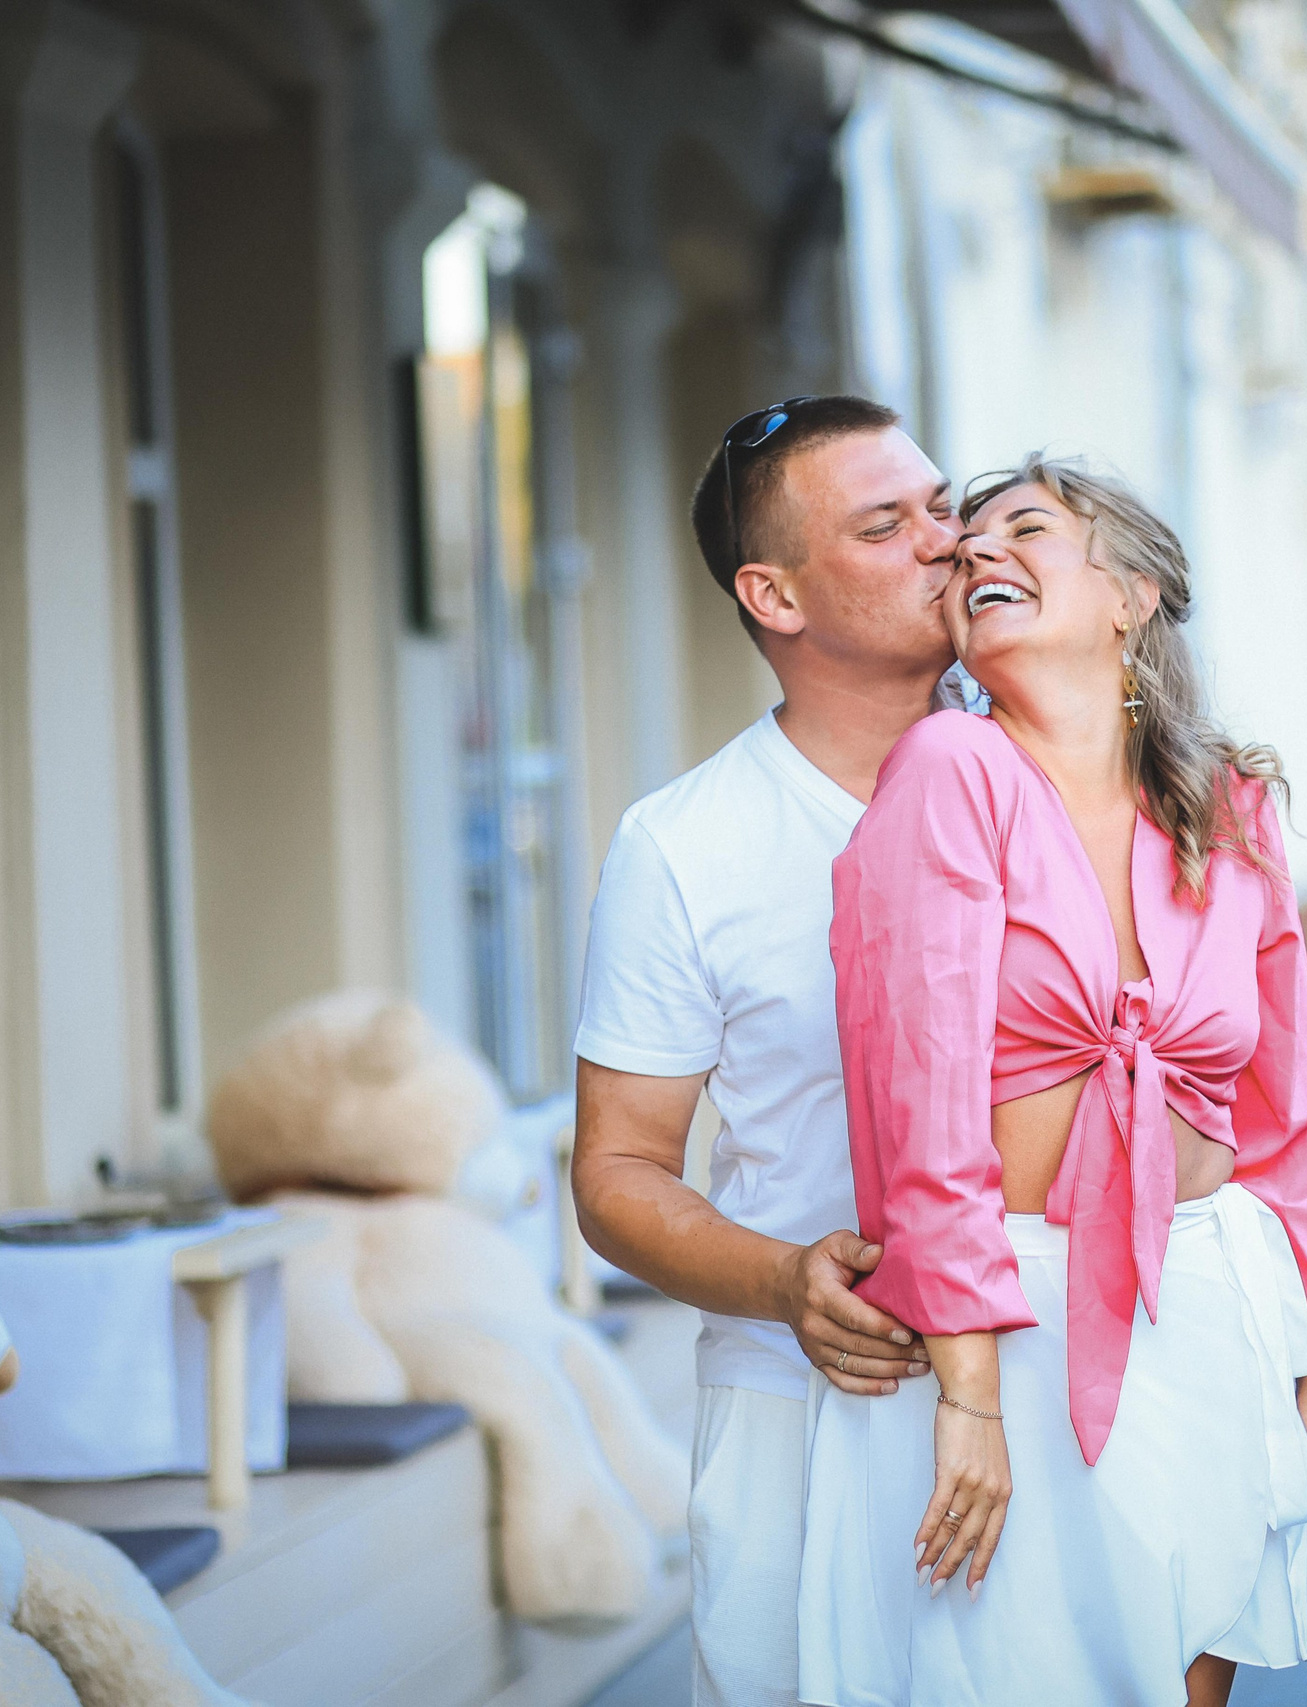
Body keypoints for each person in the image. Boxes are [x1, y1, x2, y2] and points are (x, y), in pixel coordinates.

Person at [798, 457, 1307, 1707]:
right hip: (1016, 1317)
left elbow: (1293, 1123)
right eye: (965, 550)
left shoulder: (1227, 810)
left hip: (1215, 1303)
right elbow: (920, 1105)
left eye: (1026, 530)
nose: (976, 555)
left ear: (1132, 594)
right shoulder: (950, 771)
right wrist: (970, 1398)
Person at [570, 395, 963, 1707]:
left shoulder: (1066, 781)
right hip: (801, 1411)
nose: (945, 542)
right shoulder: (683, 844)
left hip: (1050, 1379)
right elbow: (619, 1171)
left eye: (942, 504)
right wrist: (787, 1280)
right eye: (886, 523)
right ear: (774, 594)